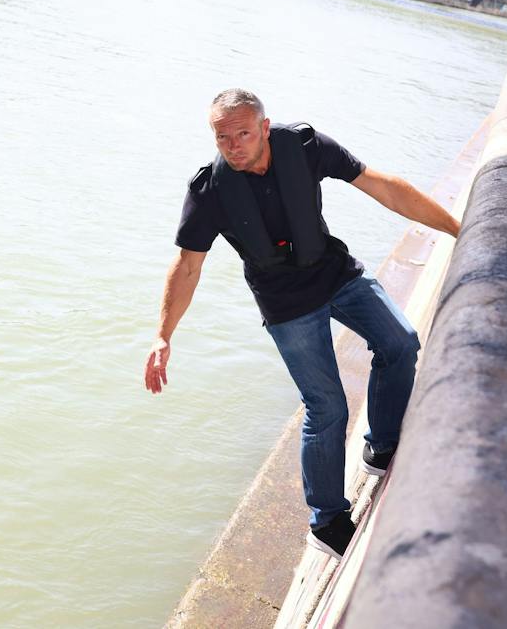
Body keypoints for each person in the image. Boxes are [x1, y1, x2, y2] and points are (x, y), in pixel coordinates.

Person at [143, 89, 460, 559]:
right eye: (222, 136)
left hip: (335, 274)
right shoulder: (210, 191)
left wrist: (458, 228)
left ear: (265, 128)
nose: (233, 145)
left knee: (401, 342)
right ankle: (327, 519)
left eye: (243, 133)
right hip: (285, 303)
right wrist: (163, 336)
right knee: (326, 405)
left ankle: (383, 446)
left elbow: (384, 187)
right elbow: (188, 266)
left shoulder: (306, 146)